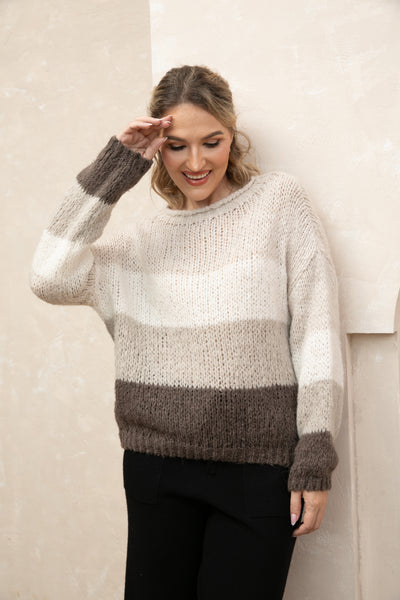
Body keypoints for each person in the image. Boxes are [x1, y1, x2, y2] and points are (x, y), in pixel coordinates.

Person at [30, 65, 344, 599]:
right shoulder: (139, 244)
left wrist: (315, 456)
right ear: (158, 150)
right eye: (176, 147)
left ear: (232, 134)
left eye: (211, 142)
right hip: (155, 470)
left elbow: (316, 331)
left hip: (259, 472)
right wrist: (116, 166)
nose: (196, 163)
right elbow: (48, 276)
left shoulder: (279, 204)